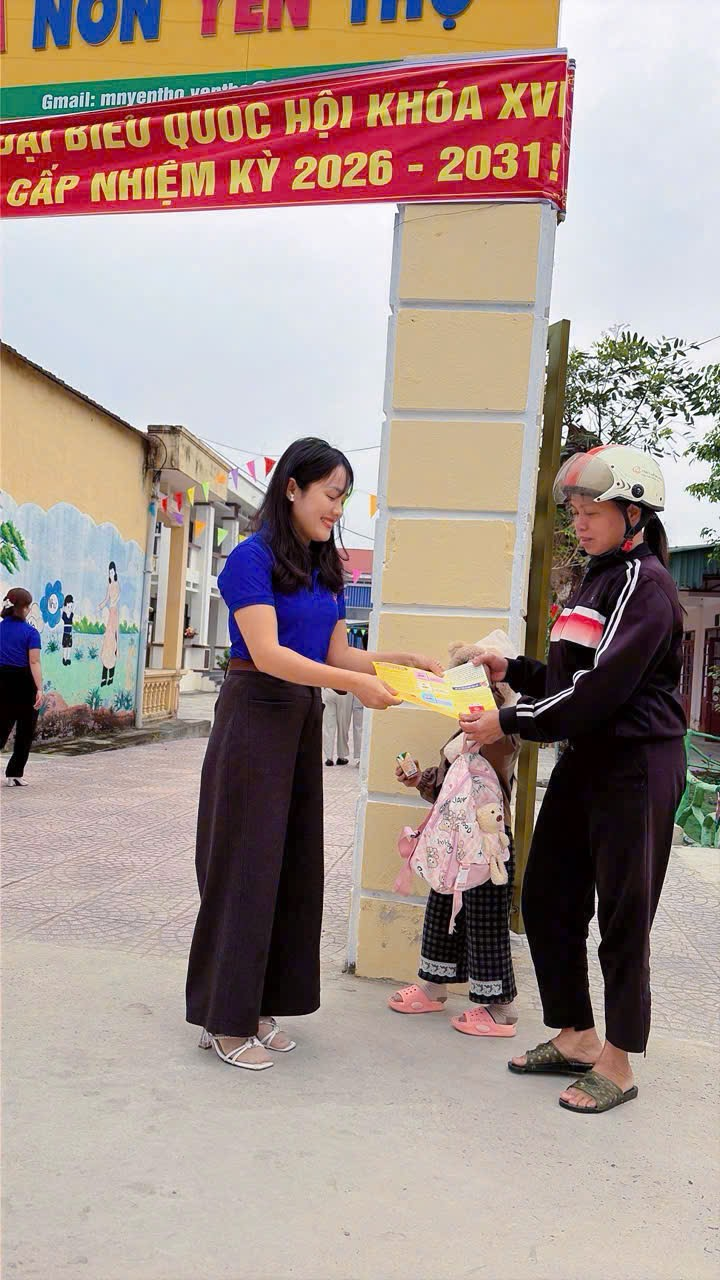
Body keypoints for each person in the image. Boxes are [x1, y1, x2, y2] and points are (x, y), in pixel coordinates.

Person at [185, 437, 443, 1072]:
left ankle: (257, 1008)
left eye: (344, 498)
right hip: (254, 714)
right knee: (244, 865)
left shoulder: (325, 567)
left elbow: (337, 655)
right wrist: (352, 684)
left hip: (300, 718)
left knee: (288, 867)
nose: (337, 508)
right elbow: (269, 654)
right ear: (292, 488)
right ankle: (223, 1020)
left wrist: (402, 663)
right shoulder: (249, 558)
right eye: (330, 494)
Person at [460, 444, 686, 1114]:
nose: (580, 522)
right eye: (576, 511)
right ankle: (577, 1036)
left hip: (636, 765)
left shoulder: (646, 585)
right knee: (548, 896)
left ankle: (618, 1060)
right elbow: (568, 678)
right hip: (586, 760)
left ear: (634, 512)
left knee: (623, 915)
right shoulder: (597, 579)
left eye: (593, 510)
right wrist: (511, 670)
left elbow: (601, 690)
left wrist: (508, 720)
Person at [387, 635, 521, 1035]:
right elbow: (447, 786)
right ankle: (433, 986)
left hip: (487, 845)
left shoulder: (502, 732)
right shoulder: (462, 732)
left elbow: (493, 760)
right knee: (441, 911)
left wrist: (490, 719)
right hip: (452, 843)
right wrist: (417, 778)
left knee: (485, 920)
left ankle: (501, 1008)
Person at [0, 587, 43, 787]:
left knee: (1, 726)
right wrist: (39, 688)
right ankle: (15, 774)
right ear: (24, 608)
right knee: (25, 729)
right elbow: (34, 662)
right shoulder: (31, 633)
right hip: (24, 682)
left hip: (2, 680)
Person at [98, 562, 120, 687]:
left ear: (115, 572)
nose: (111, 574)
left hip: (113, 611)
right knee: (107, 642)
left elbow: (114, 599)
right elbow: (107, 598)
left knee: (113, 642)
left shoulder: (116, 585)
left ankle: (110, 676)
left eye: (112, 572)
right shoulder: (109, 585)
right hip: (110, 612)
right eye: (109, 572)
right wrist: (101, 605)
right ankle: (104, 676)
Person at [321, 687, 352, 766]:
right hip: (344, 691)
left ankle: (329, 757)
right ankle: (341, 756)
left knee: (328, 726)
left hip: (328, 689)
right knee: (343, 725)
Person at [61, 593, 74, 666]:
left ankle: (68, 658)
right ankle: (64, 658)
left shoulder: (71, 614)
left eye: (71, 606)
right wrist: (66, 611)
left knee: (69, 646)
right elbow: (65, 619)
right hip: (66, 633)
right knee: (65, 646)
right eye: (68, 606)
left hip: (70, 633)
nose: (70, 608)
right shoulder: (64, 614)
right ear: (65, 606)